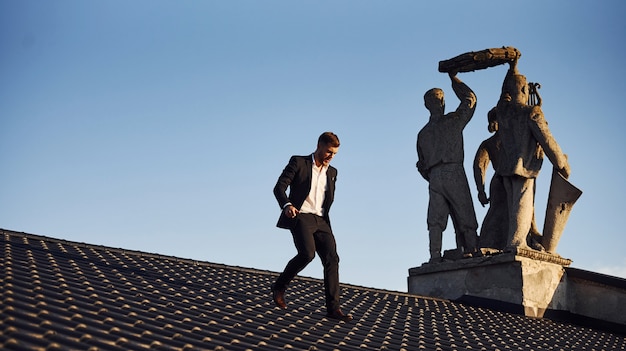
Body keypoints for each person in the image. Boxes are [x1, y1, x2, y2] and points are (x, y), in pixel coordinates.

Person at [271, 132, 352, 322]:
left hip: (322, 220)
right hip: (301, 216)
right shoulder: (299, 162)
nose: (331, 157)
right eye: (328, 152)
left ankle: (333, 309)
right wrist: (287, 205)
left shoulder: (332, 173)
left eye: (335, 154)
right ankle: (279, 286)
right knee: (307, 254)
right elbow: (279, 187)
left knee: (332, 259)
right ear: (319, 146)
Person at [494, 62, 570, 251]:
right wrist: (561, 163)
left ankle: (518, 239)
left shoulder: (502, 112)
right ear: (523, 89)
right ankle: (518, 243)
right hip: (524, 167)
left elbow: (503, 95)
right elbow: (547, 139)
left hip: (505, 168)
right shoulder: (531, 113)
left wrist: (513, 68)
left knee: (513, 207)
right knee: (523, 204)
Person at [416, 72, 481, 263]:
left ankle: (434, 255)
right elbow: (471, 99)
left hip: (434, 176)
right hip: (453, 171)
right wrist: (455, 79)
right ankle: (472, 249)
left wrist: (433, 176)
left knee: (435, 219)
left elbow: (421, 165)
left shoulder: (423, 134)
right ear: (442, 102)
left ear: (427, 106)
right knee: (465, 213)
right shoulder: (453, 120)